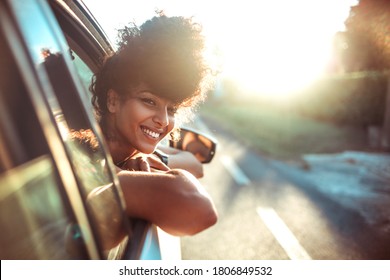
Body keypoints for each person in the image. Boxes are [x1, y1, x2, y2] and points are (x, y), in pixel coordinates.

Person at [88, 14, 217, 236]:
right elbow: (201, 209)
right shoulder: (96, 164)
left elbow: (196, 164)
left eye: (172, 109)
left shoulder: (130, 151)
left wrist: (152, 158)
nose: (164, 120)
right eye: (149, 101)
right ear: (113, 100)